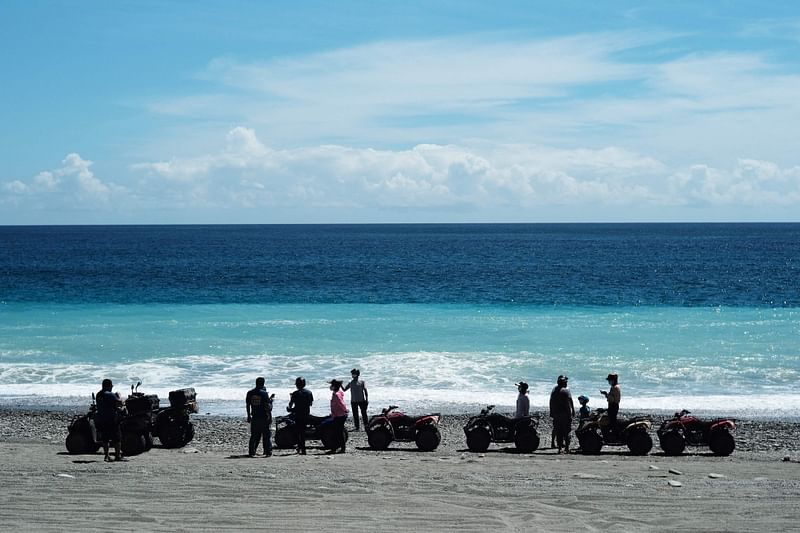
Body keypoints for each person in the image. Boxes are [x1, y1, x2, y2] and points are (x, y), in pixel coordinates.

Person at [95, 379, 123, 462]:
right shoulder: (109, 394)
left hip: (102, 418)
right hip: (111, 419)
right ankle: (117, 455)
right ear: (108, 386)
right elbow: (119, 403)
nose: (112, 387)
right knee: (117, 438)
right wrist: (119, 397)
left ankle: (106, 455)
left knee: (105, 439)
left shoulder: (98, 394)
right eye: (111, 385)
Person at [245, 377, 274, 457]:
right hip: (263, 416)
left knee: (254, 435)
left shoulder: (250, 393)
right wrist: (270, 416)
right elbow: (267, 406)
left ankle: (251, 452)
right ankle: (268, 452)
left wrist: (248, 415)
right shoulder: (264, 393)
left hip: (254, 416)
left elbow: (248, 405)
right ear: (263, 383)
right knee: (266, 435)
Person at [549, 375, 575, 454]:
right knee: (566, 432)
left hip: (556, 414)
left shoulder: (554, 391)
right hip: (564, 415)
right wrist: (570, 414)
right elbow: (567, 405)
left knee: (559, 432)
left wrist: (551, 412)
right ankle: (566, 448)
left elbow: (551, 402)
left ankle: (560, 448)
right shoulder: (565, 391)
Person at [288, 377, 313, 455]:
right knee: (303, 432)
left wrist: (291, 400)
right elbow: (310, 404)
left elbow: (290, 405)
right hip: (306, 414)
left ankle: (301, 448)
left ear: (297, 385)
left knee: (299, 432)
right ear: (304, 384)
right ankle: (302, 449)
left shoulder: (295, 393)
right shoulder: (309, 393)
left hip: (298, 415)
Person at [327, 379, 348, 454]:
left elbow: (341, 403)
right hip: (339, 414)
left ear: (334, 386)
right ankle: (340, 448)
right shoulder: (339, 392)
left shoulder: (336, 394)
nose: (330, 386)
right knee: (339, 432)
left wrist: (345, 410)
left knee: (337, 432)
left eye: (332, 385)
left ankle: (336, 448)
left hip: (339, 415)